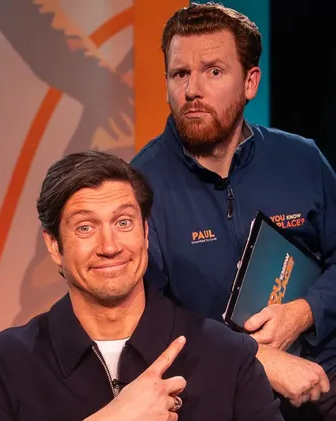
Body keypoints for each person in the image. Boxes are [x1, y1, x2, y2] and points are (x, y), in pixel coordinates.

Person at [0, 151, 284, 421]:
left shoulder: (227, 355)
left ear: (145, 232)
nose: (110, 246)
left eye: (123, 222)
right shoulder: (3, 365)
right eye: (85, 227)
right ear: (54, 245)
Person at [129, 3, 336, 420]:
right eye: (180, 74)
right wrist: (251, 355)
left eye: (213, 71)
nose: (192, 90)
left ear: (250, 82)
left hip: (324, 375)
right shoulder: (138, 186)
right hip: (218, 395)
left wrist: (305, 312)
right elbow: (142, 319)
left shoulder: (302, 159)